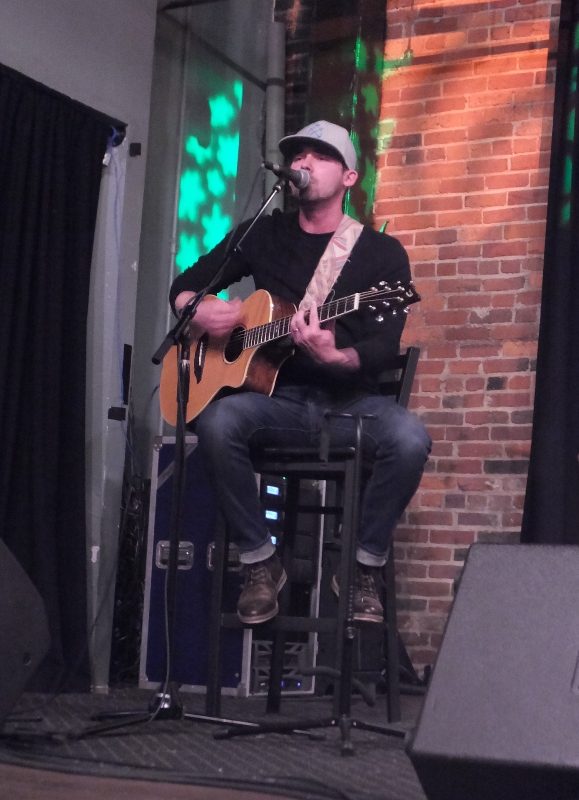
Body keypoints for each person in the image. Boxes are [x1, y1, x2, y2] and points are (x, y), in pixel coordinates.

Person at [169, 120, 431, 626]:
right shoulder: (262, 234)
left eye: (320, 155)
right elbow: (187, 285)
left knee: (410, 437)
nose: (303, 162)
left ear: (349, 176)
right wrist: (194, 308)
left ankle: (360, 568)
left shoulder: (380, 255)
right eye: (298, 154)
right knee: (217, 423)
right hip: (276, 400)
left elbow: (381, 347)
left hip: (349, 406)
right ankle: (260, 562)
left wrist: (336, 357)